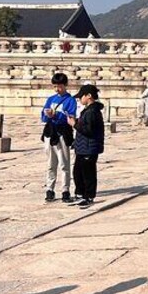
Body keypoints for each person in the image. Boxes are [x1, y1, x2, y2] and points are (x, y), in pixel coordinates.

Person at [41, 73, 77, 203]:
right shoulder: (51, 99)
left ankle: (65, 189)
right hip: (51, 133)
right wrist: (48, 115)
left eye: (60, 86)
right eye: (55, 86)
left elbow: (70, 116)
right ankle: (50, 188)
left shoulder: (70, 100)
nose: (57, 89)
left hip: (62, 133)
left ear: (65, 85)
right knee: (51, 164)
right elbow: (43, 116)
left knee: (64, 163)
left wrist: (56, 115)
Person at [67, 84, 104, 207]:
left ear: (88, 96)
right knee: (78, 172)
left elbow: (88, 130)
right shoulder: (87, 111)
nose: (79, 100)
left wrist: (74, 124)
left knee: (88, 173)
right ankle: (80, 194)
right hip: (82, 147)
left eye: (81, 97)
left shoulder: (93, 111)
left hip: (89, 147)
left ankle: (89, 196)